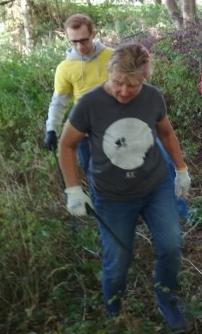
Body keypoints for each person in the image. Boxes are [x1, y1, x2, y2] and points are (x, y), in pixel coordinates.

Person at [58, 43, 191, 331]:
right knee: (117, 264)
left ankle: (166, 298)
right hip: (112, 197)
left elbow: (166, 131)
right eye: (118, 82)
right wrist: (73, 189)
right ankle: (115, 313)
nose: (123, 91)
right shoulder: (89, 104)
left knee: (171, 247)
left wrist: (181, 170)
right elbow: (67, 145)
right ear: (109, 73)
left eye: (133, 85)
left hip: (155, 187)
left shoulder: (152, 97)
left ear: (144, 78)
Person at [44, 14, 113, 174]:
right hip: (86, 134)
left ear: (93, 34)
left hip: (116, 128)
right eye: (74, 42)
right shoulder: (65, 68)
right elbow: (59, 102)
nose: (80, 47)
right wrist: (52, 130)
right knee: (95, 180)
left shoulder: (113, 56)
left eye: (84, 40)